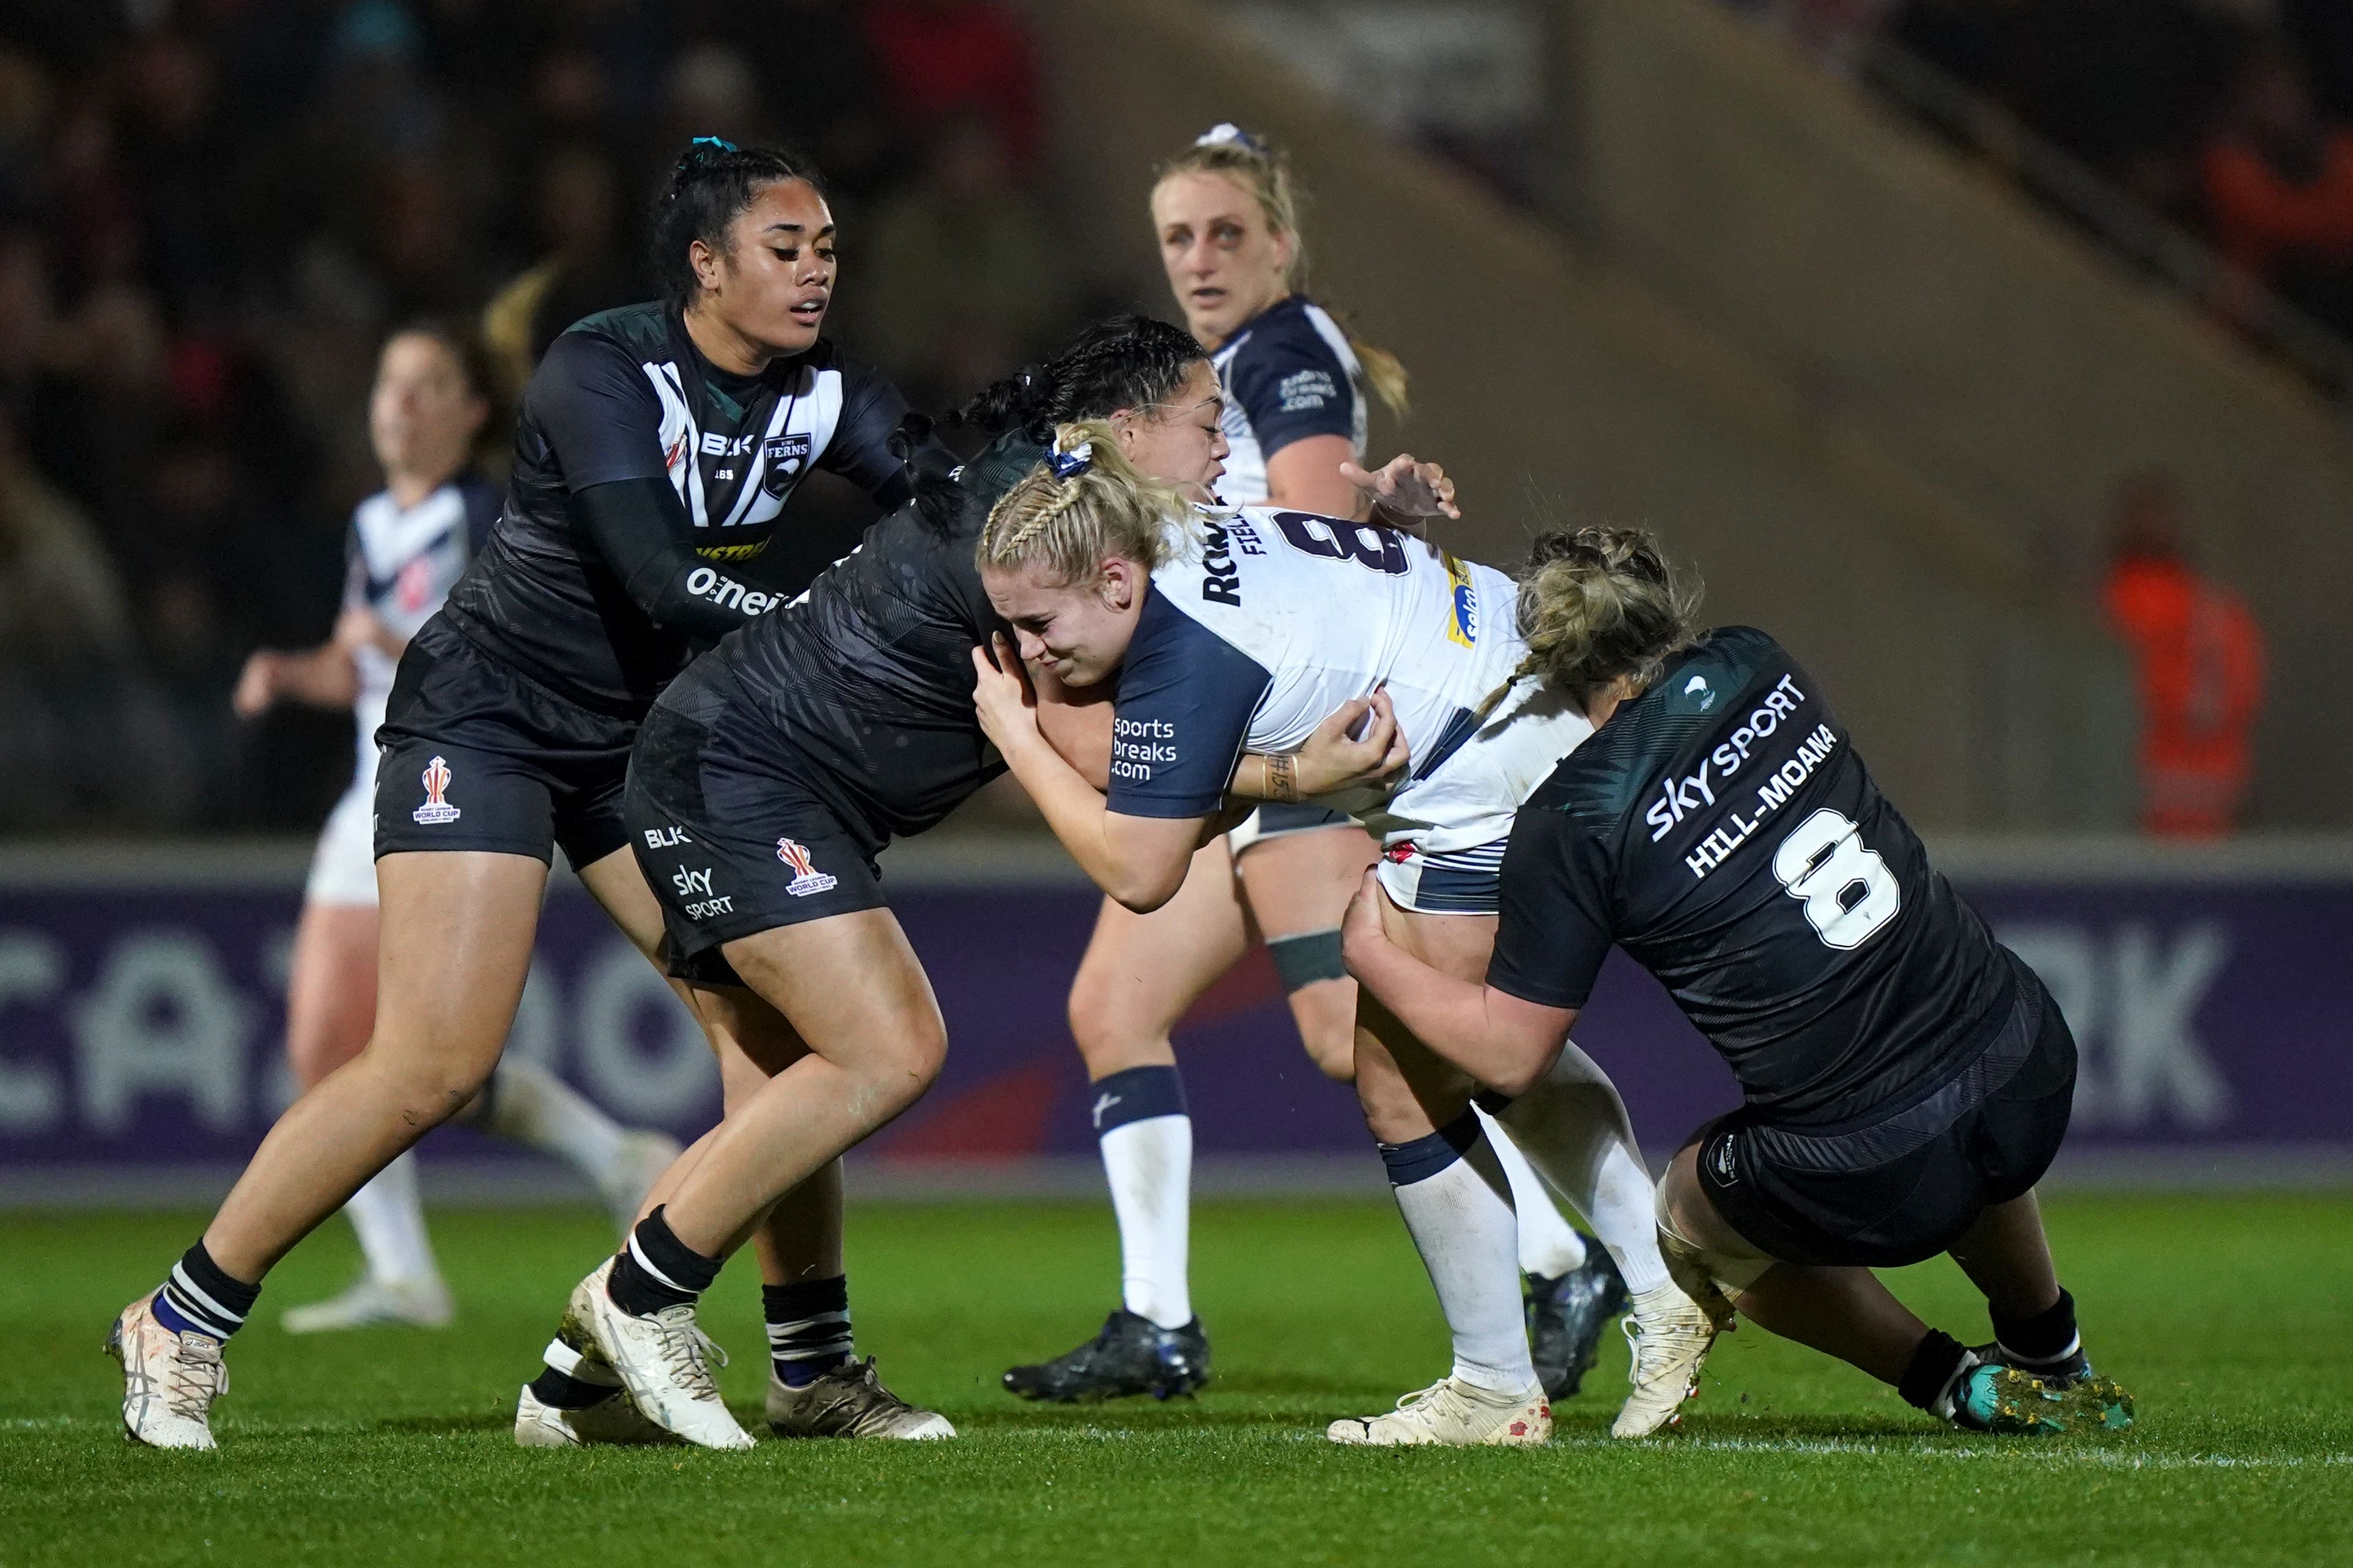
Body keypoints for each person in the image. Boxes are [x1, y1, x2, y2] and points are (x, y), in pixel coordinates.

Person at [106, 139, 940, 1451]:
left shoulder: (829, 388)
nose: (817, 270)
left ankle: (812, 1369)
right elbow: (660, 576)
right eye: (787, 247)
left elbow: (943, 496)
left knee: (776, 1044)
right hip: (487, 717)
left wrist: (1056, 490)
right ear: (705, 266)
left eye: (828, 247)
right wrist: (826, 625)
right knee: (434, 1062)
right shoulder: (600, 369)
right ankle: (180, 1314)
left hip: (639, 741)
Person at [516, 312, 1441, 1451]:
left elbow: (1227, 620)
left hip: (749, 772)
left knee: (786, 1088)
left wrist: (1370, 543)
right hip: (737, 777)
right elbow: (1110, 768)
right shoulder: (1043, 532)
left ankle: (676, 1381)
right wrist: (1296, 770)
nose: (1222, 444)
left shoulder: (1071, 503)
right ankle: (637, 1297)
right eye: (1207, 421)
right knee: (887, 1049)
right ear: (1124, 428)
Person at [1004, 123, 1623, 1411]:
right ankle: (1160, 1318)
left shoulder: (1278, 355)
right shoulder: (1218, 366)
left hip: (1308, 733)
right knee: (1117, 1008)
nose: (1200, 257)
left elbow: (1292, 534)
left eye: (1227, 232)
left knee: (1363, 1037)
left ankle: (1569, 1256)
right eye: (1178, 234)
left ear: (1280, 243)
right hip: (1250, 730)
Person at [969, 426, 1718, 1447]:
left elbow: (1141, 874)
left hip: (1477, 769)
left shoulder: (1182, 649)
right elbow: (1222, 787)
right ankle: (1646, 1288)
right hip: (1512, 692)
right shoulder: (1185, 535)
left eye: (1039, 624)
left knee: (1407, 1082)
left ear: (1112, 579)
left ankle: (1506, 1378)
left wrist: (1016, 736)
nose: (1033, 653)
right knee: (1496, 1056)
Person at [1339, 528, 2136, 1437]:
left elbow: (1511, 1058)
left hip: (1881, 1166)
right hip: (2027, 1055)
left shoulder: (1574, 817)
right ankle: (2049, 1348)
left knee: (1685, 1219)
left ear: (1545, 661)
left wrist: (1372, 956)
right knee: (1948, 1075)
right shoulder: (1758, 659)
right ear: (1665, 607)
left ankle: (1952, 1380)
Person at [229, 322, 682, 1332]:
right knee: (344, 1049)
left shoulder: (484, 516)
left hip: (458, 778)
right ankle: (584, 1171)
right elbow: (362, 664)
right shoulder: (368, 524)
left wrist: (389, 641)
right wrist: (293, 672)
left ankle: (448, 1248)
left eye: (429, 386)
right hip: (372, 787)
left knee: (405, 1052)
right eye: (391, 384)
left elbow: (502, 642)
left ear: (473, 412)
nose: (400, 404)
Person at [2102, 473, 2266, 837]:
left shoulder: (2208, 611)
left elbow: (2235, 692)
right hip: (2138, 787)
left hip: (2197, 788)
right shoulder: (2106, 604)